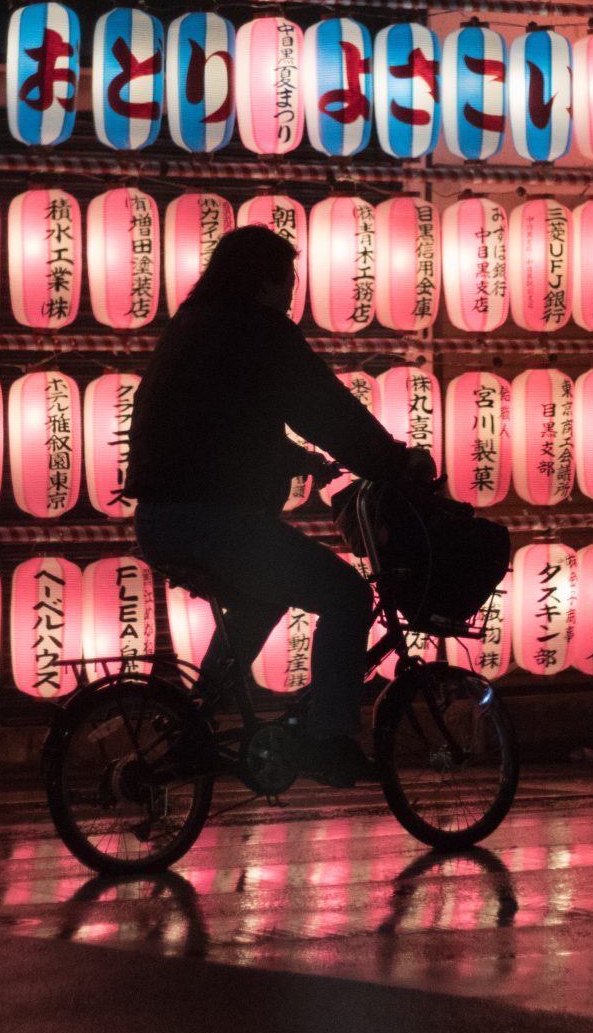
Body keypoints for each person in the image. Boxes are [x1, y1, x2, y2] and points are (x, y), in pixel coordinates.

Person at [126, 225, 433, 786]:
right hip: (210, 519)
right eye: (288, 280)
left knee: (260, 599)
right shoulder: (254, 329)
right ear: (263, 281)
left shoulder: (198, 325)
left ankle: (193, 724)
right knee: (346, 594)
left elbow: (222, 426)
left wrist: (301, 461)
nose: (292, 294)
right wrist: (392, 463)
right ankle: (327, 737)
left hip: (163, 517)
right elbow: (324, 407)